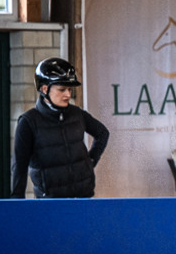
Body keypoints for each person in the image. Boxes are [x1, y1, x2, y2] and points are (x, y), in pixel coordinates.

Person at [11, 57, 110, 199]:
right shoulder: (28, 122)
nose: (68, 95)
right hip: (51, 202)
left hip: (83, 198)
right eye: (62, 89)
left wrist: (90, 162)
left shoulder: (77, 114)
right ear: (44, 89)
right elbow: (19, 167)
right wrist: (17, 203)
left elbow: (102, 133)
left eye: (69, 89)